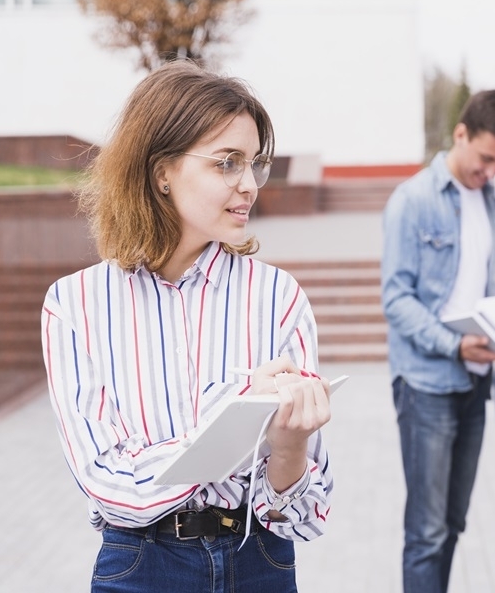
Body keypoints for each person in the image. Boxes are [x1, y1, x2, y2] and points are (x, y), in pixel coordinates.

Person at [40, 60, 333, 593]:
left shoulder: (278, 298)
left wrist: (289, 447)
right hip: (140, 567)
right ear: (161, 173)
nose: (249, 185)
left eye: (254, 164)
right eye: (227, 163)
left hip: (259, 562)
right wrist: (234, 413)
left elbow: (307, 513)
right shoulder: (74, 305)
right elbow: (109, 484)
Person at [381, 90, 495, 593]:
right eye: (486, 158)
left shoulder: (491, 201)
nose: (491, 171)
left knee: (455, 524)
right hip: (426, 384)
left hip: (476, 383)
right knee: (426, 531)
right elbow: (396, 300)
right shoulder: (412, 200)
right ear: (460, 134)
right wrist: (454, 345)